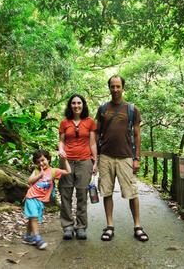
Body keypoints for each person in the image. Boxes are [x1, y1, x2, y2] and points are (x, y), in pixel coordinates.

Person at [96, 75, 149, 242]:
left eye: (118, 86)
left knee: (132, 193)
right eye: (112, 86)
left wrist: (137, 158)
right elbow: (97, 133)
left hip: (126, 156)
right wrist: (95, 156)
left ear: (123, 88)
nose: (115, 89)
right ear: (109, 88)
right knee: (107, 191)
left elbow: (137, 135)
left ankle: (138, 226)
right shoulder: (103, 109)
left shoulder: (132, 109)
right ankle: (110, 226)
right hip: (106, 156)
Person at [58, 94, 97, 240]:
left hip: (84, 161)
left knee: (82, 195)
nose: (76, 106)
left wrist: (95, 162)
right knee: (65, 194)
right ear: (70, 106)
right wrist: (61, 149)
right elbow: (61, 141)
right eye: (73, 103)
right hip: (66, 162)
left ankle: (81, 227)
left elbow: (92, 143)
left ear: (83, 105)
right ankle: (67, 226)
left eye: (79, 103)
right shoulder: (64, 123)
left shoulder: (90, 122)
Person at [23, 149, 71, 249]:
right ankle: (37, 239)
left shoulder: (53, 171)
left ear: (48, 159)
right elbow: (29, 181)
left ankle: (27, 236)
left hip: (40, 200)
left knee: (32, 218)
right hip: (31, 197)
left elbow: (68, 172)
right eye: (38, 162)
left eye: (43, 160)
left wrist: (65, 160)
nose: (41, 163)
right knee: (34, 217)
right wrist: (39, 175)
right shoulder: (36, 170)